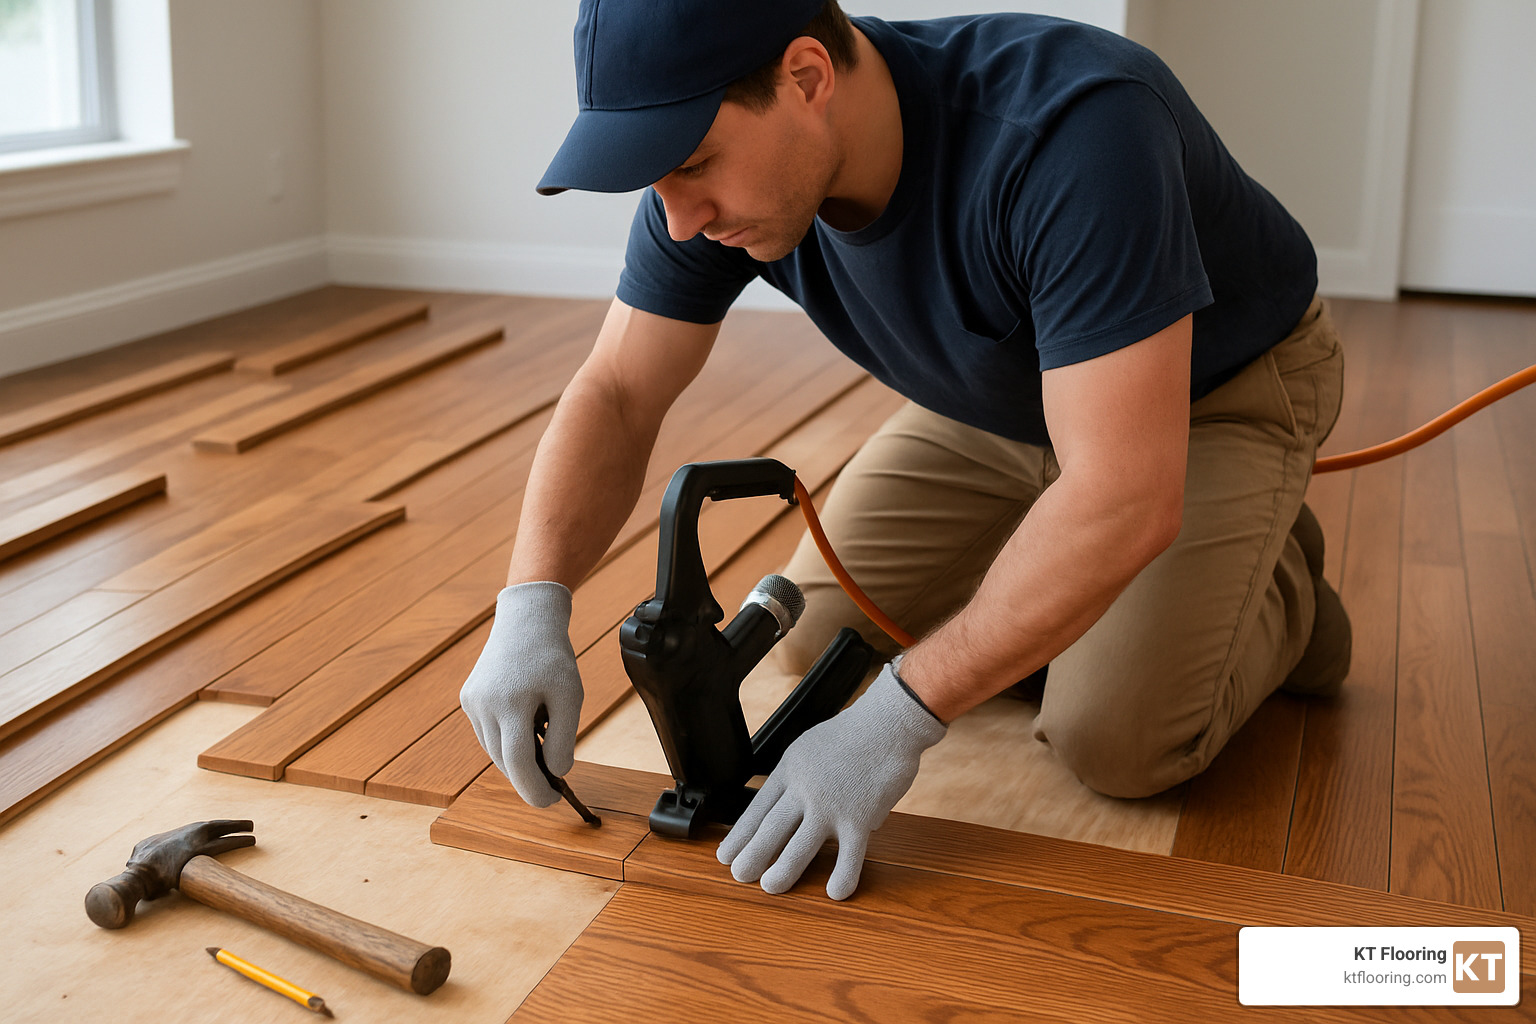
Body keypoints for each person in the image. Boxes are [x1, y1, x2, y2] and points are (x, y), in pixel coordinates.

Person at [459, 0, 1348, 903]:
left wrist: (902, 713)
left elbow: (1123, 491)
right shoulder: (721, 184)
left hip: (1206, 402)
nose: (679, 219)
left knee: (1116, 739)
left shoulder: (1076, 127)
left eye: (692, 165)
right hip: (993, 403)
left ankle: (1279, 589)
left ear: (807, 78)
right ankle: (1091, 580)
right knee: (813, 638)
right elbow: (616, 392)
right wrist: (530, 603)